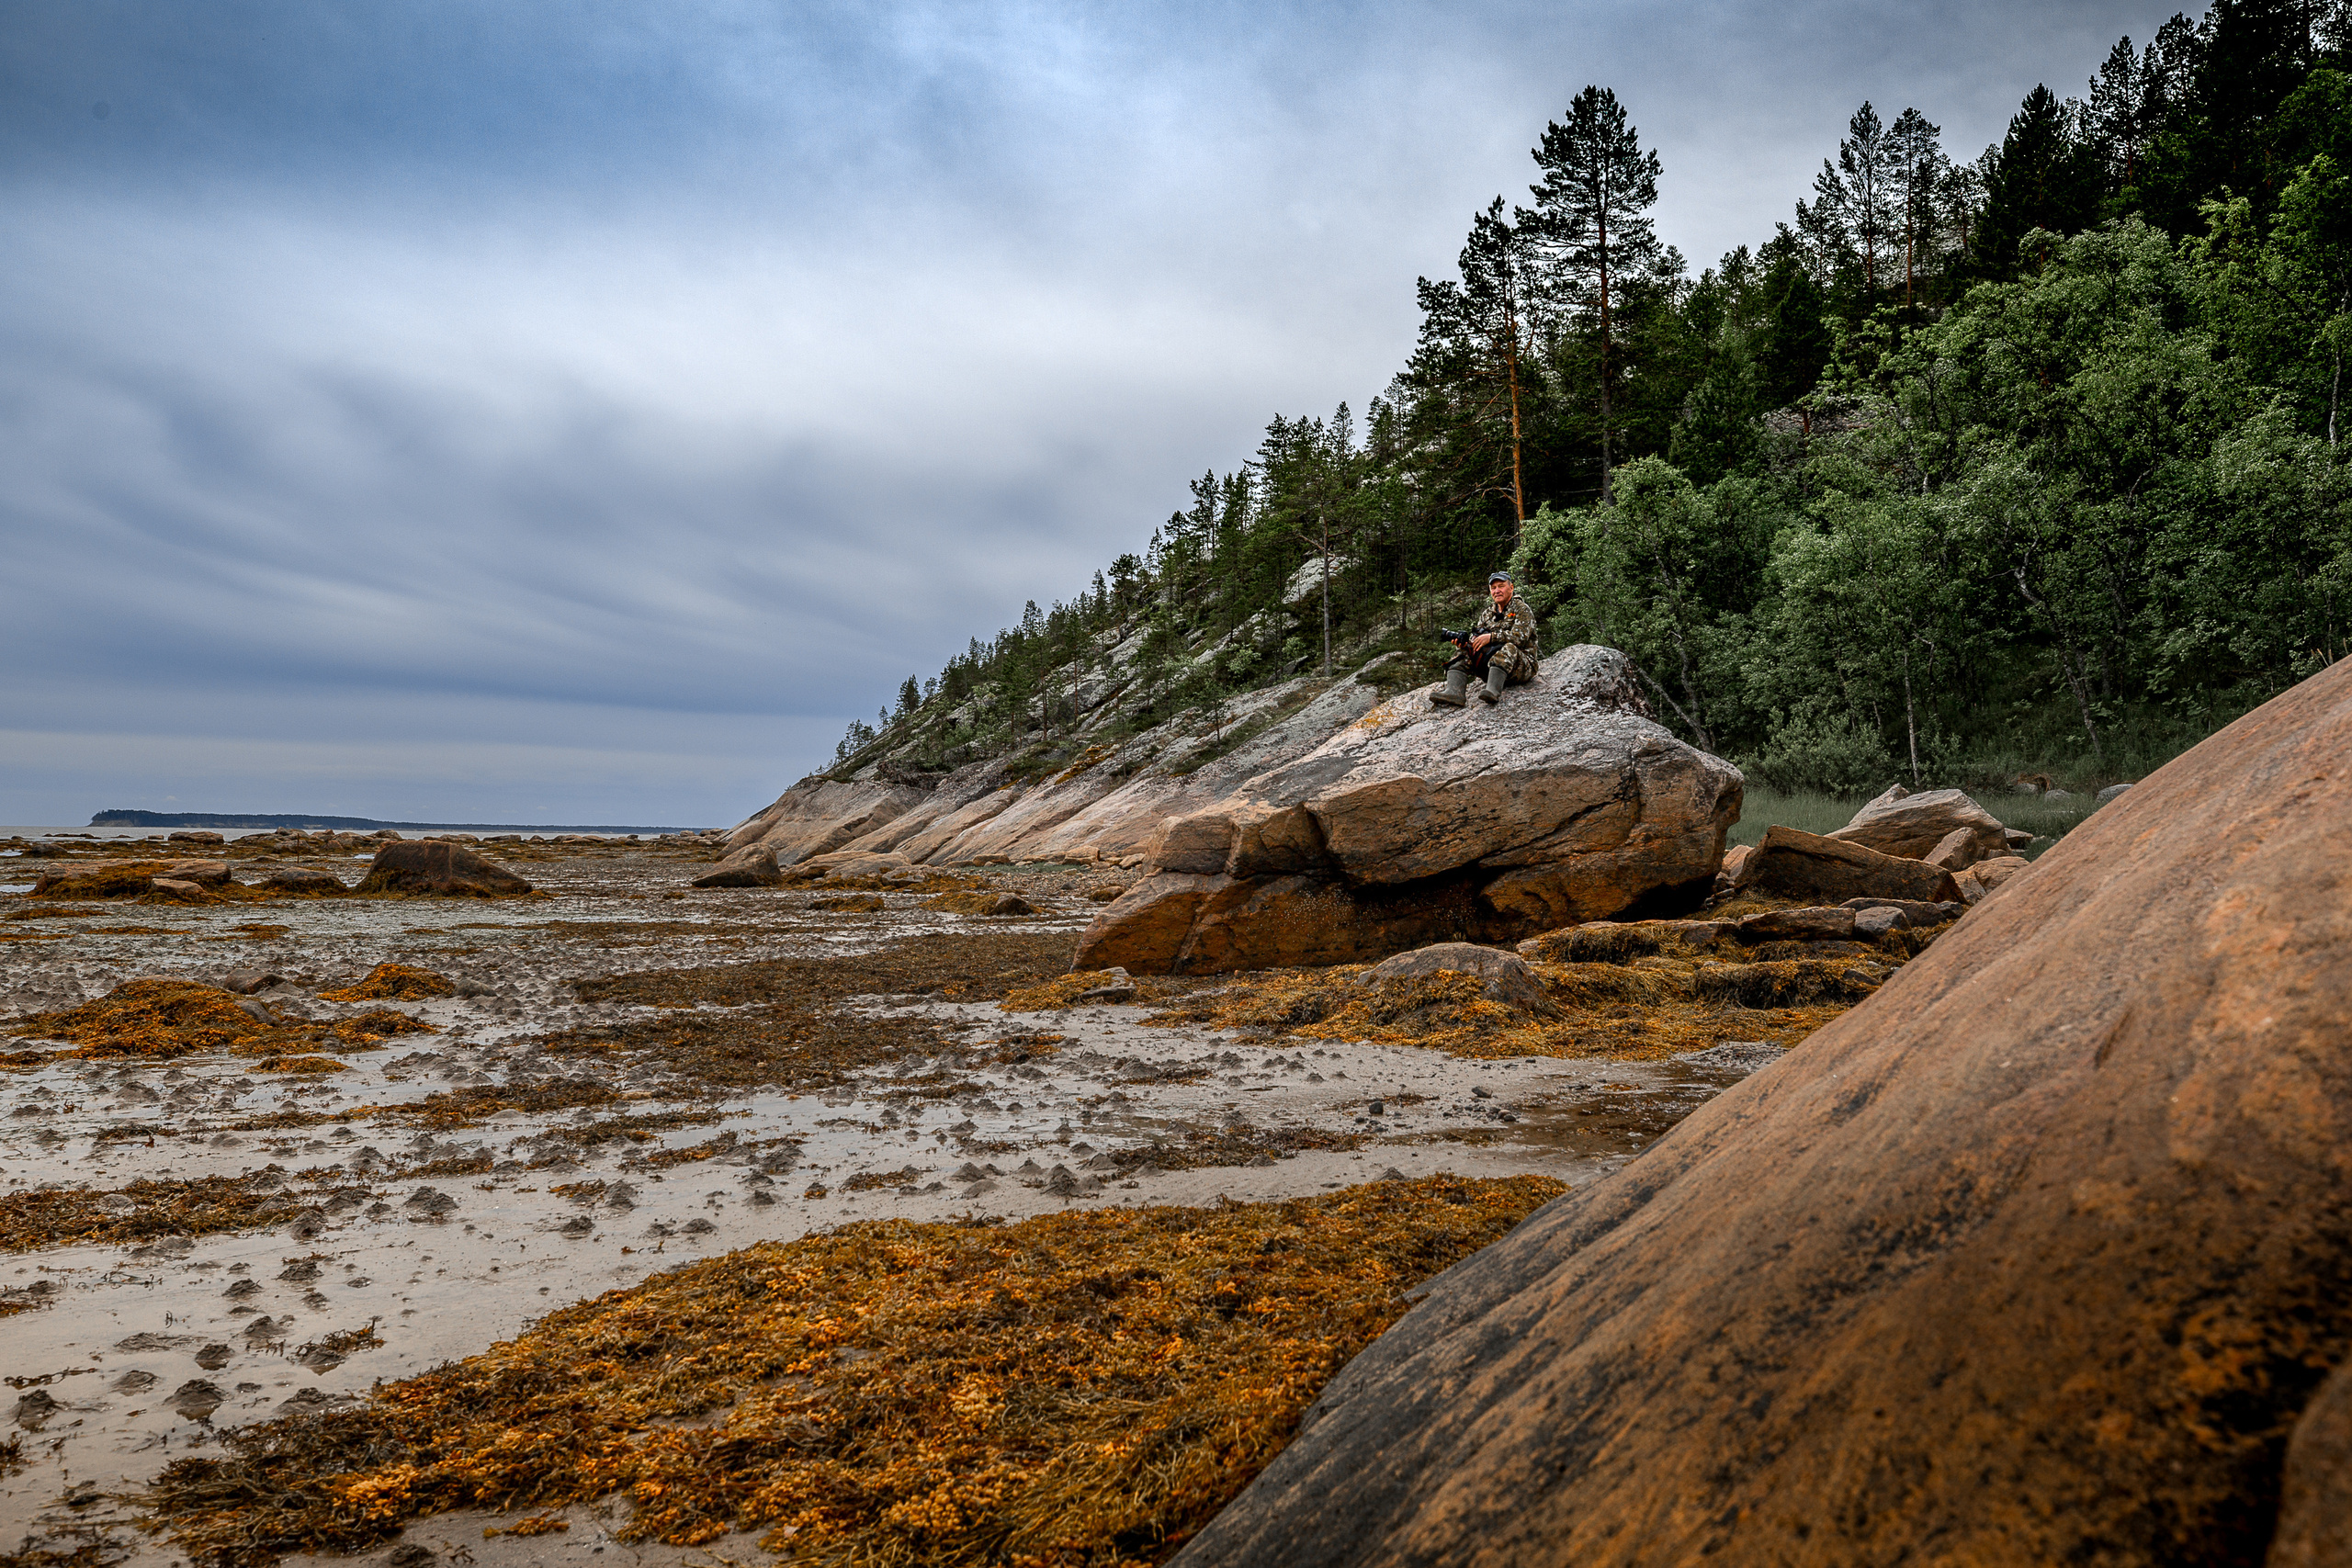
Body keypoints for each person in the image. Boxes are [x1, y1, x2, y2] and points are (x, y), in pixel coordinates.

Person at [1432, 571, 1539, 707]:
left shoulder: (1522, 609)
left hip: (1521, 667)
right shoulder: (1488, 613)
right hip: (1491, 666)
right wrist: (1465, 645)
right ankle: (1454, 693)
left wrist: (1492, 637)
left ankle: (1492, 691)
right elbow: (1477, 640)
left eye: (1501, 586)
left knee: (1509, 648)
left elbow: (1520, 638)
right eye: (1493, 588)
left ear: (1511, 588)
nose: (1497, 591)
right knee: (1463, 652)